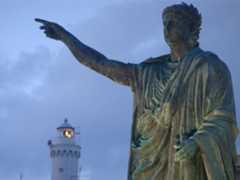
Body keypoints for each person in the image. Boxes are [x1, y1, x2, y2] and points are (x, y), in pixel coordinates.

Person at [36, 2, 238, 180]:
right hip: (148, 165)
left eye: (174, 22)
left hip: (187, 164)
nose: (167, 28)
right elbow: (101, 63)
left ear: (192, 28)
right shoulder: (147, 72)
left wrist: (196, 142)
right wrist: (66, 38)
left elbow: (222, 117)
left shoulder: (210, 67)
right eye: (165, 23)